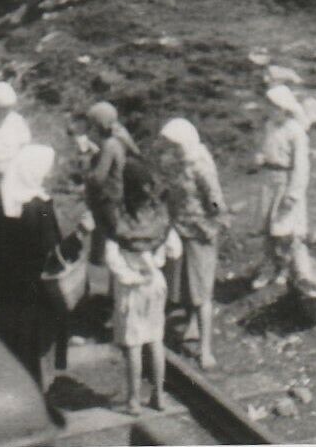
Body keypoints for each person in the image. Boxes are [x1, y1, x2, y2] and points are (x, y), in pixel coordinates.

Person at [0, 144, 88, 389]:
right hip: (36, 292)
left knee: (11, 342)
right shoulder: (38, 208)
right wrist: (80, 235)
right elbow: (53, 257)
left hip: (6, 285)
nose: (48, 175)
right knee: (37, 348)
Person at [159, 118, 227, 371]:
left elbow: (215, 199)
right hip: (179, 228)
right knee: (184, 285)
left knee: (201, 291)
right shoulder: (174, 162)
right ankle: (189, 327)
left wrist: (213, 223)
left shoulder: (200, 163)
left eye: (173, 144)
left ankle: (206, 349)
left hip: (200, 232)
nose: (170, 149)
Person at [105, 159, 170, 414]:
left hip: (131, 287)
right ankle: (159, 395)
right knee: (155, 339)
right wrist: (154, 262)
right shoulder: (158, 214)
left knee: (133, 343)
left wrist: (129, 275)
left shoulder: (119, 216)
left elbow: (112, 256)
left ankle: (133, 400)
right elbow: (171, 248)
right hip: (155, 284)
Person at [252, 85, 310, 290]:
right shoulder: (269, 126)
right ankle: (269, 265)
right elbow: (267, 148)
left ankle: (285, 267)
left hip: (285, 182)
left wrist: (293, 194)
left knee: (284, 228)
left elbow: (301, 166)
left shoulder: (296, 132)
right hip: (269, 181)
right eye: (269, 107)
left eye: (275, 107)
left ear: (285, 109)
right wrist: (261, 157)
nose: (271, 111)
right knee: (267, 227)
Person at [82, 101, 142, 266]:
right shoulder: (121, 137)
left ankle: (104, 279)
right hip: (118, 194)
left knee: (106, 246)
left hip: (107, 198)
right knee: (114, 241)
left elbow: (98, 178)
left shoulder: (109, 144)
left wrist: (86, 159)